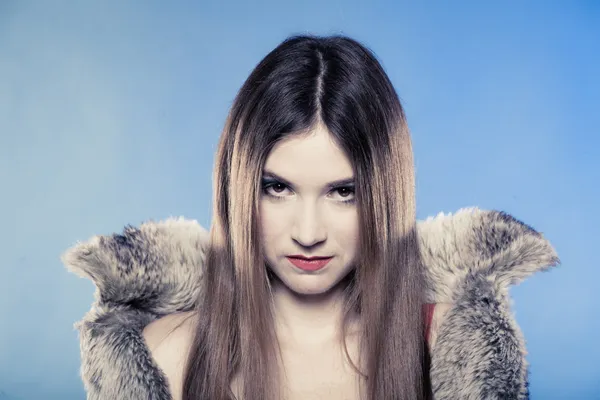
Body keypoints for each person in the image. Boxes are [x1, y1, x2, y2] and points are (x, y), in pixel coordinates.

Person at [62, 34, 560, 400]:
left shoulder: (448, 353)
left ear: (386, 197)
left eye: (343, 192)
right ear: (237, 189)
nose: (307, 233)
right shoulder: (166, 356)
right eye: (276, 188)